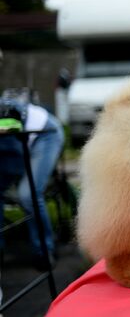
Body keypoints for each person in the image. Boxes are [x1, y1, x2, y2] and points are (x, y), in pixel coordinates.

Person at [0, 95, 64, 269]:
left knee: (27, 195)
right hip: (18, 145)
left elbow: (15, 159)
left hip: (45, 134)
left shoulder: (5, 111)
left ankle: (44, 250)